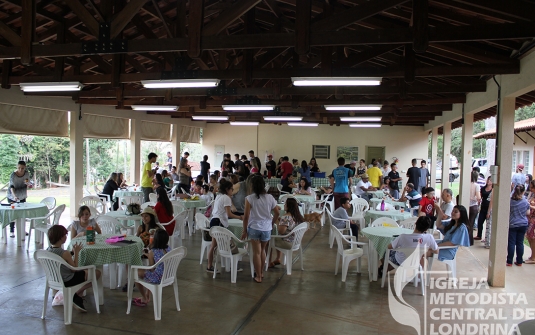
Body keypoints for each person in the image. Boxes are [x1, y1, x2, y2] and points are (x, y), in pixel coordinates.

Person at [47, 225, 101, 312]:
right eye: (65, 235)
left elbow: (62, 259)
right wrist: (76, 253)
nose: (66, 237)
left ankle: (75, 296)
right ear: (61, 238)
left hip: (55, 279)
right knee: (97, 273)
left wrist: (71, 252)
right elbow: (74, 269)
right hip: (68, 280)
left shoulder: (48, 250)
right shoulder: (64, 253)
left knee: (87, 272)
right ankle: (75, 295)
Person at [241, 175, 279, 283]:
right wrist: (271, 223)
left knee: (256, 253)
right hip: (266, 229)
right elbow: (276, 212)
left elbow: (246, 216)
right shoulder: (270, 198)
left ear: (252, 185)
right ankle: (261, 273)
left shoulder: (249, 199)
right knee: (263, 251)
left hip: (254, 228)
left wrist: (244, 230)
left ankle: (258, 276)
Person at [206, 180, 243, 273]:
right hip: (219, 222)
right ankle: (231, 266)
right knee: (227, 246)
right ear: (227, 189)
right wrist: (240, 217)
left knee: (214, 246)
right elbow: (229, 214)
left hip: (214, 221)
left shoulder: (219, 196)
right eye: (232, 189)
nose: (232, 191)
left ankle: (209, 266)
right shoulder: (226, 198)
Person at [131, 228, 170, 307]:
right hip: (168, 275)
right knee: (145, 272)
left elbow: (151, 269)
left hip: (158, 278)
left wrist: (149, 256)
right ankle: (147, 294)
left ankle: (144, 298)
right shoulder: (168, 248)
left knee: (135, 273)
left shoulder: (153, 251)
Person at [269, 198, 305, 268]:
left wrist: (278, 222)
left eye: (285, 204)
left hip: (287, 242)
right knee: (278, 237)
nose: (284, 205)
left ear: (288, 206)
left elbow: (281, 231)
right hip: (295, 241)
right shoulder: (297, 216)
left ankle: (269, 262)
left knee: (269, 239)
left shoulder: (286, 217)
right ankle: (278, 258)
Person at [7, 160, 31, 237]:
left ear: (25, 167)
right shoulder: (13, 175)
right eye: (19, 168)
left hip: (22, 195)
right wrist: (14, 196)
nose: (20, 170)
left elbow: (26, 182)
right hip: (12, 196)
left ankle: (22, 230)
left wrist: (29, 184)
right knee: (13, 214)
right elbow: (12, 187)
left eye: (22, 168)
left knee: (22, 213)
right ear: (17, 167)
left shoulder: (26, 173)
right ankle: (12, 231)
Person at [507, 185, 530, 266]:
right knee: (520, 243)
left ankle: (509, 261)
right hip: (523, 224)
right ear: (523, 191)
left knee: (511, 242)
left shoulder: (510, 201)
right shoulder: (526, 201)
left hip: (513, 224)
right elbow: (528, 213)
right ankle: (519, 261)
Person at [475, 177, 493, 241]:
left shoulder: (493, 190)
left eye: (490, 180)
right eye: (488, 180)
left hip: (489, 208)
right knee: (480, 221)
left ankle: (486, 238)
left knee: (488, 224)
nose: (488, 181)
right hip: (483, 207)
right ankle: (479, 235)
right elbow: (480, 197)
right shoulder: (483, 189)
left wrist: (489, 211)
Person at [467, 171, 481, 246]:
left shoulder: (466, 184)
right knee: (471, 224)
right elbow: (478, 197)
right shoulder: (476, 185)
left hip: (466, 205)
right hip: (473, 206)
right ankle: (470, 241)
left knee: (466, 223)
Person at [525, 180, 535, 263]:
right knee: (529, 237)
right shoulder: (532, 194)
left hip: (534, 220)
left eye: (532, 187)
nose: (530, 188)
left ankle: (533, 257)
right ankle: (532, 255)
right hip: (529, 218)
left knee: (532, 238)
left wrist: (530, 206)